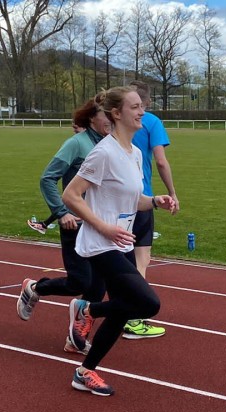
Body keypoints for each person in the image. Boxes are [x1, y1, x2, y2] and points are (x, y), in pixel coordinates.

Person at [61, 85, 176, 396]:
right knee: (147, 302)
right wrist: (103, 227)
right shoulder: (104, 152)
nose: (142, 112)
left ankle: (85, 371)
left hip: (121, 240)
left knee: (124, 308)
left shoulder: (135, 153)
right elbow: (71, 195)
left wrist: (155, 201)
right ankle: (88, 311)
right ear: (116, 113)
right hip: (101, 242)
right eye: (135, 107)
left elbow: (132, 198)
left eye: (142, 106)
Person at [16, 97, 112, 355]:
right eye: (106, 115)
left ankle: (76, 338)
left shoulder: (111, 145)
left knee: (98, 286)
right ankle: (34, 288)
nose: (110, 121)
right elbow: (48, 178)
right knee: (79, 281)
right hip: (75, 222)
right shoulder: (76, 144)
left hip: (101, 224)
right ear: (92, 117)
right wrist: (61, 212)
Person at [121, 80, 179, 340]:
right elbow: (161, 161)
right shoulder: (151, 121)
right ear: (148, 102)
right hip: (141, 196)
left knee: (117, 258)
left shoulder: (117, 122)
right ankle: (133, 318)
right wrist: (173, 193)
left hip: (117, 198)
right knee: (141, 259)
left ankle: (98, 307)